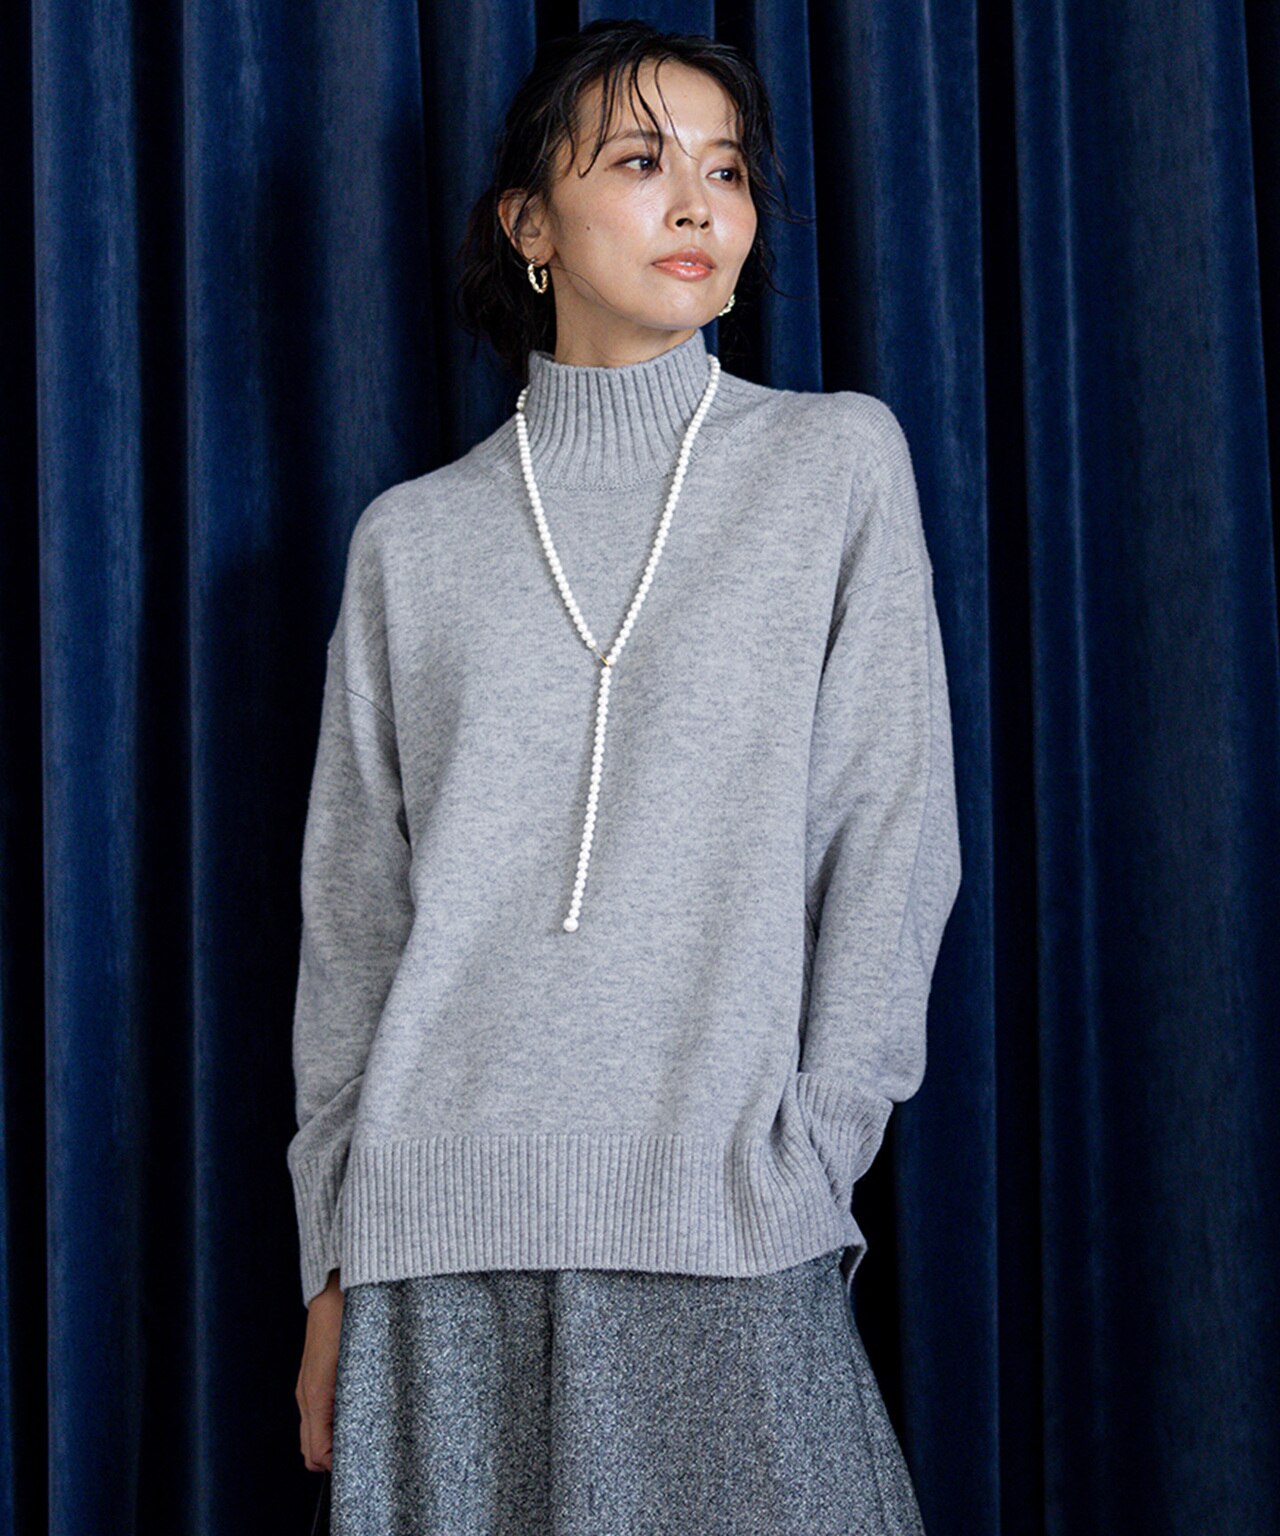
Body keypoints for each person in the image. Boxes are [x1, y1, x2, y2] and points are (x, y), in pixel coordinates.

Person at [290, 19, 962, 1535]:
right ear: (530, 224)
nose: (700, 203)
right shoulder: (411, 543)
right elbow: (355, 937)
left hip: (729, 1215)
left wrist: (813, 1149)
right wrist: (333, 1260)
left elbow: (889, 835)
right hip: (434, 1243)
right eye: (643, 162)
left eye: (727, 171)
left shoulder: (833, 466)